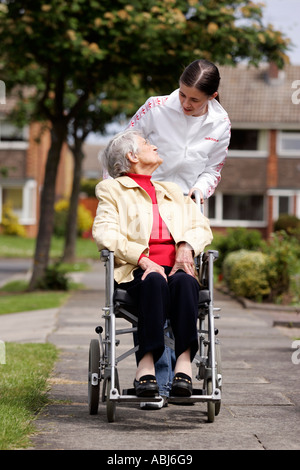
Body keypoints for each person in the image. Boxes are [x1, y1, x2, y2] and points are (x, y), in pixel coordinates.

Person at [126, 59, 231, 406]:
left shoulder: (221, 123)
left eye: (195, 101)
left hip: (186, 210)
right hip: (147, 209)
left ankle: (172, 377)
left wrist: (196, 193)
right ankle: (158, 380)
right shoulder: (156, 108)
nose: (186, 105)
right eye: (183, 95)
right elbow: (126, 150)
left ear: (212, 97)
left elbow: (213, 170)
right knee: (152, 285)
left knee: (183, 282)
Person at [92, 129, 213, 401]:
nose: (154, 146)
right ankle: (144, 366)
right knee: (154, 280)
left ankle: (184, 366)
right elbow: (105, 234)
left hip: (177, 269)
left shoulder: (170, 190)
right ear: (132, 156)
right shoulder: (111, 190)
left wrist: (186, 245)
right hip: (137, 273)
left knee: (184, 281)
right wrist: (144, 259)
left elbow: (200, 227)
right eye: (147, 144)